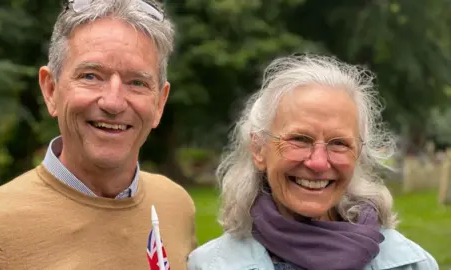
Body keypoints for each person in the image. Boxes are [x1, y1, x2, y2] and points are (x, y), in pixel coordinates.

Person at [0, 0, 196, 269]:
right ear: (51, 90)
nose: (113, 102)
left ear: (160, 102)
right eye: (90, 76)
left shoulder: (176, 205)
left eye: (137, 82)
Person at [187, 55, 438, 270]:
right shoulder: (207, 265)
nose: (318, 163)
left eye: (339, 143)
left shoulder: (412, 264)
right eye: (299, 139)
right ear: (259, 149)